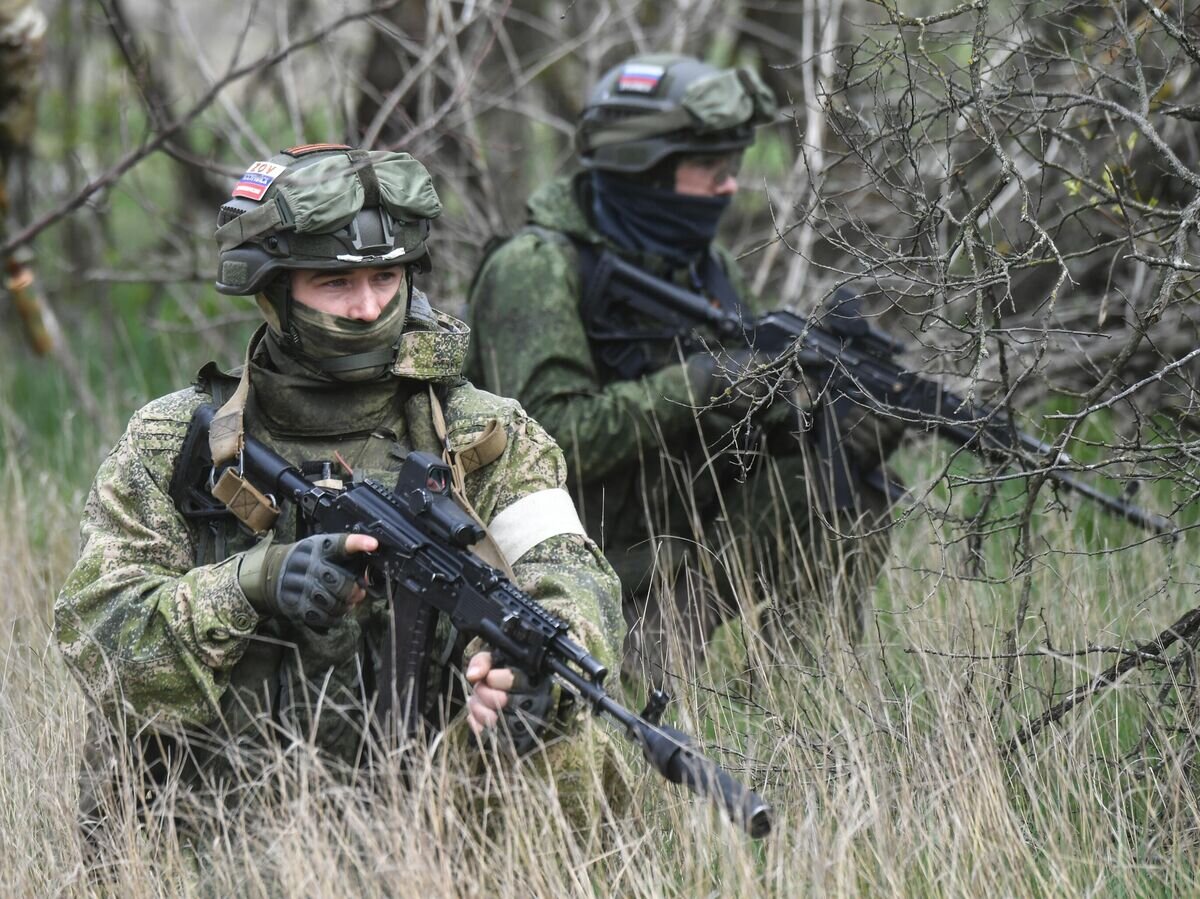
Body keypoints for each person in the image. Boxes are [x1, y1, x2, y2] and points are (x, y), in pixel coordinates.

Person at [54, 145, 625, 853]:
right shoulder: (176, 440)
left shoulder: (486, 433)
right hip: (222, 824)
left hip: (433, 817)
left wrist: (532, 674)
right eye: (334, 282)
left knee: (579, 739)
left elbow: (574, 572)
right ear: (272, 290)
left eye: (387, 278)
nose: (367, 307)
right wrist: (248, 584)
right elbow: (96, 633)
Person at [467, 55, 902, 685]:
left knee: (847, 489)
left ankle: (799, 710)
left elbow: (752, 414)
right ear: (643, 168)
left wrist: (828, 421)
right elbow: (540, 442)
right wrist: (696, 386)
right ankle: (638, 660)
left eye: (733, 166)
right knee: (632, 704)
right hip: (580, 566)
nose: (730, 186)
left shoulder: (702, 264)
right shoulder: (536, 269)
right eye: (711, 168)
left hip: (680, 537)